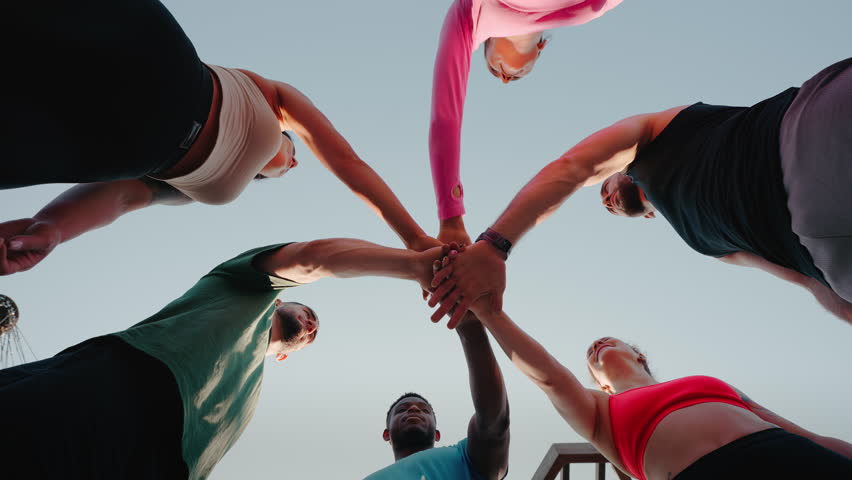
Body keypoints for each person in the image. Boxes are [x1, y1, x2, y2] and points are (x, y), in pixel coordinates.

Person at [0, 0, 438, 275]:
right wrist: (416, 239)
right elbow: (348, 163)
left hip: (116, 147)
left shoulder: (190, 192)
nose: (294, 161)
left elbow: (122, 198)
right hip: (156, 58)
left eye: (284, 170)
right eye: (292, 149)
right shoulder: (273, 98)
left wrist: (52, 227)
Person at [428, 58, 852, 326]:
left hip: (810, 136)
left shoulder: (654, 132)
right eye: (609, 207)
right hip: (826, 256)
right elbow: (799, 279)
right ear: (648, 217)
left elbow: (573, 168)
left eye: (606, 190)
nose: (608, 197)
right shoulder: (701, 241)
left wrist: (495, 245)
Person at [0, 238, 446, 479]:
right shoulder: (246, 288)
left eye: (313, 332)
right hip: (113, 389)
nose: (309, 323)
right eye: (307, 313)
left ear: (288, 358)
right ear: (281, 303)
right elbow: (312, 258)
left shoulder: (248, 399)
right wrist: (412, 265)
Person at [436, 295, 852, 479]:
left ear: (637, 355)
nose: (599, 345)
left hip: (787, 453)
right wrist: (489, 312)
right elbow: (548, 376)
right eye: (590, 357)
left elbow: (796, 430)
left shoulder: (705, 382)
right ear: (597, 381)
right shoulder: (600, 412)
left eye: (610, 341)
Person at [429, 0, 623, 245]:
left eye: (491, 68)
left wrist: (451, 214)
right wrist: (451, 219)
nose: (505, 79)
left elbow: (445, 117)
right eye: (518, 76)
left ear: (487, 41)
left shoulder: (471, 15)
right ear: (539, 48)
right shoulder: (586, 10)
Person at [364, 311, 510, 479]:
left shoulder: (463, 457)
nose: (412, 408)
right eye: (401, 409)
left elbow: (495, 422)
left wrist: (469, 325)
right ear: (386, 434)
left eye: (425, 410)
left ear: (437, 434)